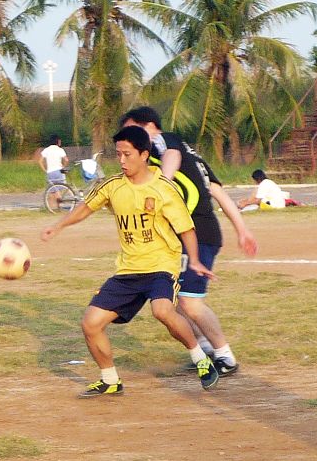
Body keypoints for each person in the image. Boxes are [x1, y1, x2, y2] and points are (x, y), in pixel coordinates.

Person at [40, 125, 219, 397]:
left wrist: (194, 260)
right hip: (128, 269)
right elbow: (86, 208)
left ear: (144, 154)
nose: (122, 161)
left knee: (162, 311)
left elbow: (186, 229)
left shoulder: (164, 189)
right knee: (90, 323)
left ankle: (201, 359)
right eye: (118, 154)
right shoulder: (113, 186)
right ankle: (110, 379)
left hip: (161, 266)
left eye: (127, 154)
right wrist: (58, 226)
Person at [120, 106, 258, 376]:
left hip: (198, 234)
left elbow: (171, 155)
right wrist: (242, 230)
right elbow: (218, 192)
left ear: (149, 126)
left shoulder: (164, 141)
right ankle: (206, 352)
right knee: (171, 299)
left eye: (131, 131)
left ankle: (225, 357)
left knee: (189, 301)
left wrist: (161, 184)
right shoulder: (194, 157)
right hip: (186, 236)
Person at [39, 134, 70, 210]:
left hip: (50, 172)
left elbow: (40, 161)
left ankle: (53, 207)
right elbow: (66, 160)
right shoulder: (60, 150)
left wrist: (45, 170)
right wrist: (63, 166)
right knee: (60, 188)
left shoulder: (46, 150)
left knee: (52, 190)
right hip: (59, 171)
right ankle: (59, 202)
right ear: (57, 141)